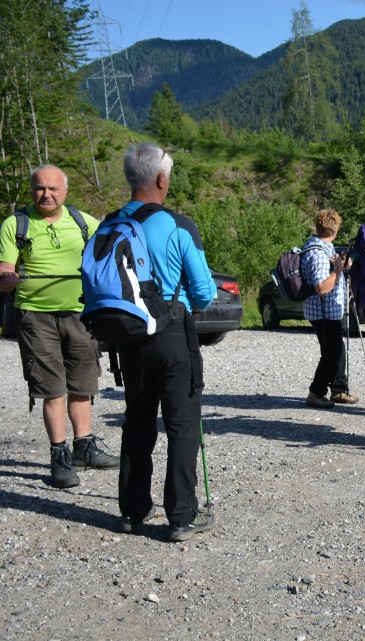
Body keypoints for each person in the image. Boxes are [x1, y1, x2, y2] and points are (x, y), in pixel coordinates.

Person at [113, 143, 217, 542]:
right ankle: (181, 515)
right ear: (161, 179)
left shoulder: (110, 223)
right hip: (173, 332)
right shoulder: (178, 226)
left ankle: (132, 511)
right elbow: (204, 293)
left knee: (137, 422)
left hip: (128, 337)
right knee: (182, 422)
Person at [0, 165, 118, 489]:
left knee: (82, 383)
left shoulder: (85, 223)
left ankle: (85, 447)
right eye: (40, 188)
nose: (46, 194)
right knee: (52, 388)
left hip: (81, 313)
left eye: (53, 188)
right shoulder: (15, 225)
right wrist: (7, 279)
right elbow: (5, 270)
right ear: (31, 190)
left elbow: (109, 254)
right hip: (35, 317)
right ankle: (60, 457)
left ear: (65, 191)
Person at [301, 208, 359, 409]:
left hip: (329, 311)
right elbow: (322, 288)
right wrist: (339, 269)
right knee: (331, 353)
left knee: (336, 349)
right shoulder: (317, 253)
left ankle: (338, 389)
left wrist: (341, 265)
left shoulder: (323, 248)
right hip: (323, 312)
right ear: (335, 229)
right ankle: (316, 393)